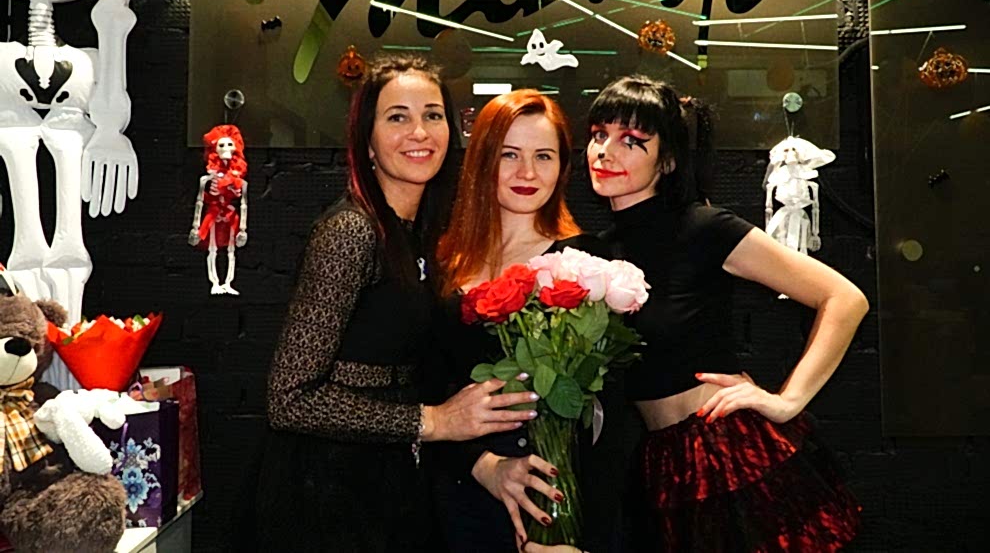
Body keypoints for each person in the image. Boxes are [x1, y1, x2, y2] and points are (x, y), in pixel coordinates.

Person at [255, 56, 537, 552]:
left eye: (433, 115)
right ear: (367, 140)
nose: (419, 132)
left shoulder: (419, 234)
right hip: (327, 495)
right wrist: (434, 421)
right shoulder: (350, 232)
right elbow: (290, 399)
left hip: (391, 483)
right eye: (397, 117)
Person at [584, 75, 866, 552]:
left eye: (632, 141)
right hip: (659, 462)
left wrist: (788, 401)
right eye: (599, 135)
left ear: (667, 160)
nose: (605, 152)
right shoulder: (598, 251)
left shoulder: (703, 227)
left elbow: (845, 298)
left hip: (725, 452)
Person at [430, 89, 641, 553]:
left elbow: (611, 424)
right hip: (463, 503)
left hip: (556, 509)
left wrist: (583, 537)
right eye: (510, 155)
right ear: (482, 160)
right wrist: (482, 464)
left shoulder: (586, 265)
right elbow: (426, 393)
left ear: (562, 167)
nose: (527, 172)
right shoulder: (443, 264)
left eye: (543, 156)